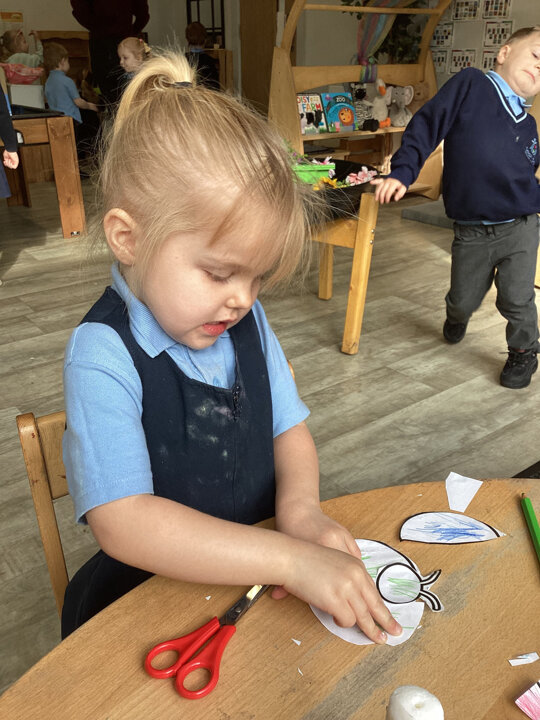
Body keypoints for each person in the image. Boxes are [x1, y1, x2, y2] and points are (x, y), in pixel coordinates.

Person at [61, 49, 402, 646]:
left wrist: (301, 511)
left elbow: (288, 430)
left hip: (256, 588)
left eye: (258, 277)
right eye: (219, 274)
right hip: (146, 606)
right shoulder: (102, 354)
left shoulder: (244, 321)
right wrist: (290, 559)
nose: (242, 299)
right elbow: (125, 522)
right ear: (128, 239)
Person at [372, 26, 540, 390]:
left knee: (517, 298)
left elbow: (525, 179)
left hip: (521, 227)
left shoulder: (529, 126)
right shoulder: (471, 85)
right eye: (537, 55)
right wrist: (403, 171)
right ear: (505, 53)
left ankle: (524, 351)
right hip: (471, 230)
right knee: (463, 300)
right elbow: (427, 125)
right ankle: (457, 314)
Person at [70, 0, 150, 106]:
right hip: (105, 40)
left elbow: (142, 14)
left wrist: (129, 33)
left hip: (113, 39)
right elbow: (79, 9)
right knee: (111, 89)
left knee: (126, 87)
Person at [43, 42, 100, 170]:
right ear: (62, 61)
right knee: (74, 147)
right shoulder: (67, 81)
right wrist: (91, 106)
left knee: (62, 148)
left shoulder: (48, 82)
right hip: (70, 120)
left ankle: (64, 170)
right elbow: (78, 102)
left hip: (55, 120)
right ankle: (75, 171)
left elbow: (47, 99)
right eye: (68, 61)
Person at [185, 21, 220, 90]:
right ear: (205, 40)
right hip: (205, 96)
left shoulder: (183, 60)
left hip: (186, 96)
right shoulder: (210, 62)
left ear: (187, 39)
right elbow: (215, 88)